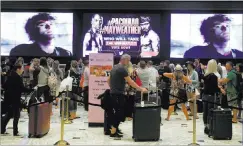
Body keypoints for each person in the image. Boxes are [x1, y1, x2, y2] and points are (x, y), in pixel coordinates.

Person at [107, 54, 147, 139]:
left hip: (114, 93)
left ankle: (115, 129)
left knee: (117, 112)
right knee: (119, 113)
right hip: (118, 94)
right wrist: (141, 89)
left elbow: (108, 80)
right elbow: (131, 82)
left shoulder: (114, 67)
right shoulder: (122, 69)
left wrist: (112, 88)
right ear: (124, 60)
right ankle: (113, 132)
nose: (129, 62)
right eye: (128, 60)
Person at [1, 64, 33, 136]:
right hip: (15, 98)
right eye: (22, 69)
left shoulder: (10, 76)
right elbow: (22, 88)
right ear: (18, 69)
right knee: (16, 115)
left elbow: (4, 86)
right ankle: (15, 132)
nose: (22, 70)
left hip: (8, 98)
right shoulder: (17, 77)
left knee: (9, 114)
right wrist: (30, 90)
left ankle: (2, 129)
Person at [202, 59, 224, 134]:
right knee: (211, 111)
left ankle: (206, 126)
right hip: (213, 96)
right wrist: (220, 89)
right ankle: (210, 126)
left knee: (205, 111)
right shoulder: (217, 75)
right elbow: (216, 87)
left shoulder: (205, 74)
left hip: (205, 95)